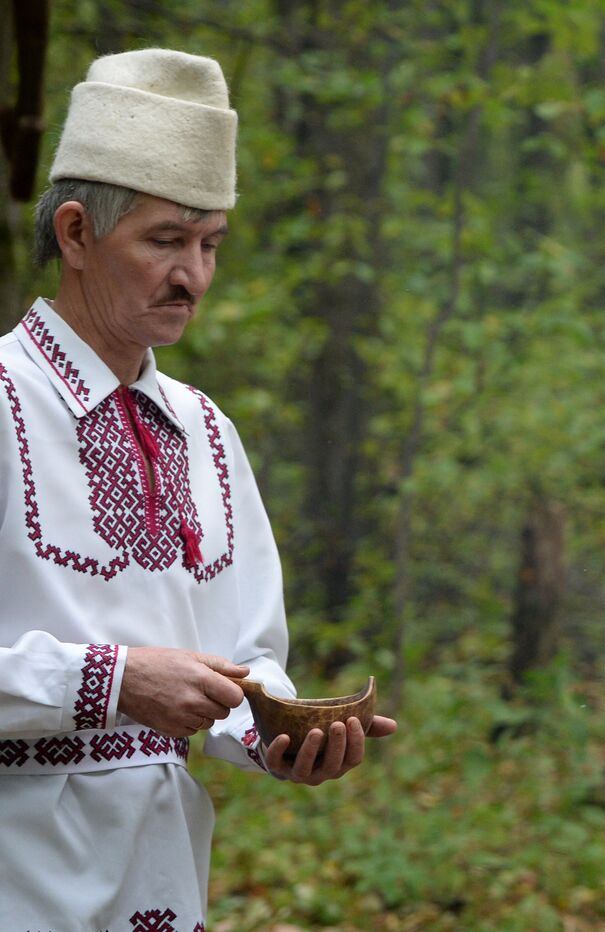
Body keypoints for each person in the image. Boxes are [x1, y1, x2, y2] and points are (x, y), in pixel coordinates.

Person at [0, 49, 395, 929]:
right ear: (74, 234)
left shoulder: (206, 430)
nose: (196, 278)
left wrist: (283, 738)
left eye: (211, 243)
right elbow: (131, 683)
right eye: (166, 241)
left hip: (164, 881)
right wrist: (108, 681)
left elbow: (244, 659)